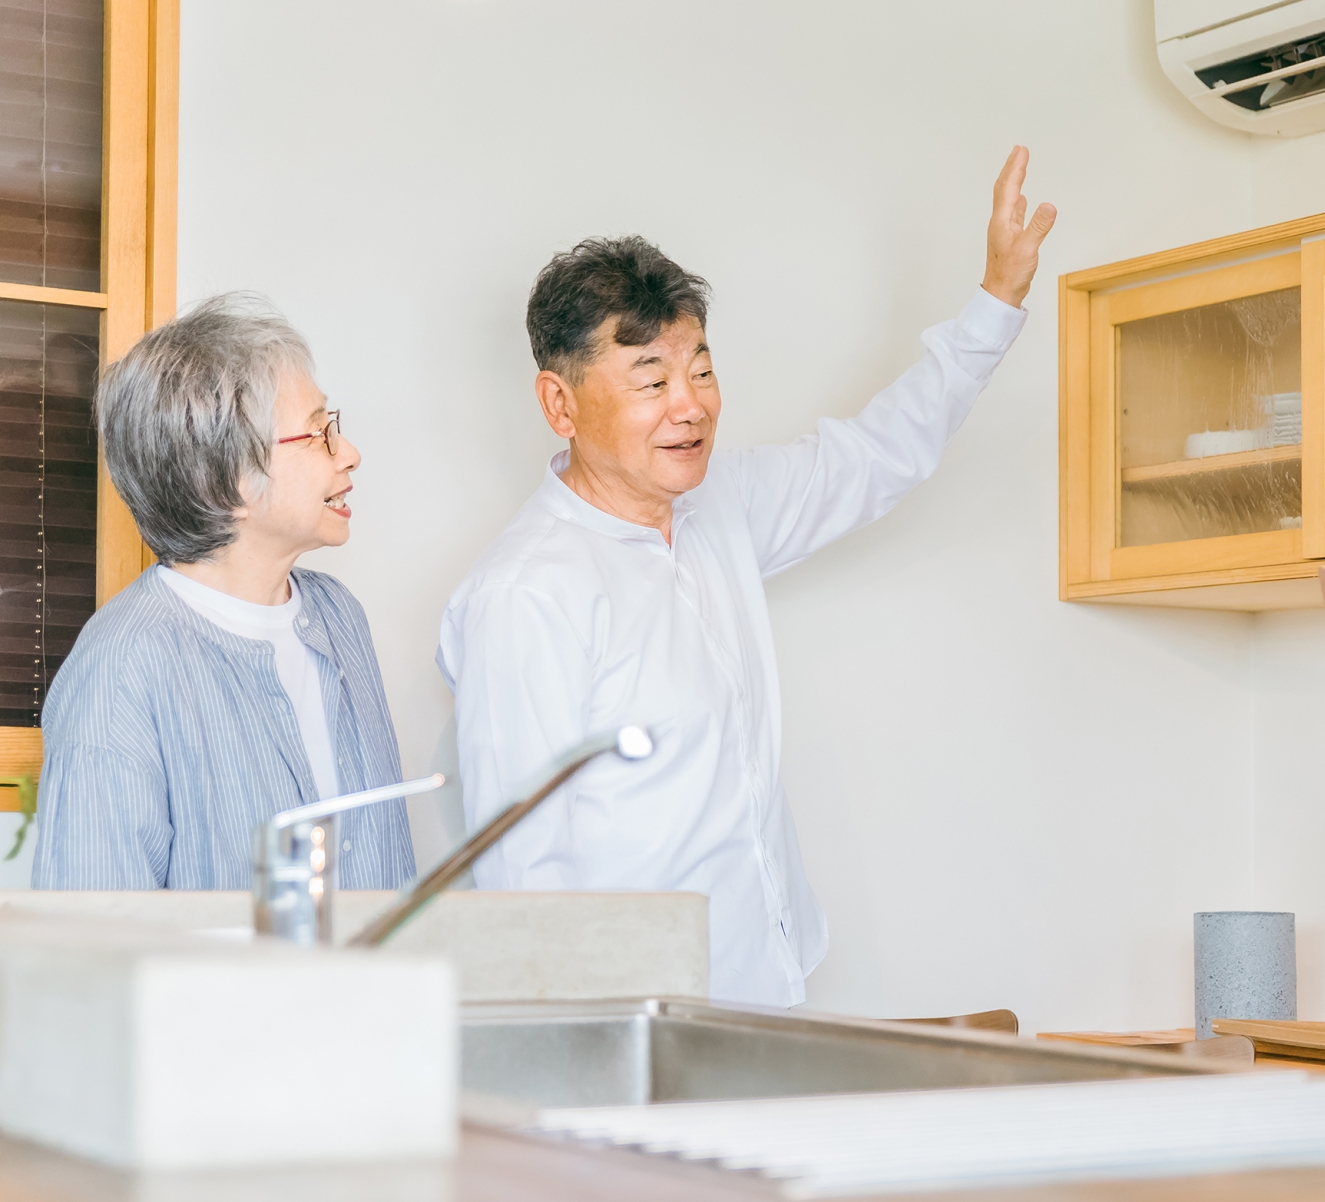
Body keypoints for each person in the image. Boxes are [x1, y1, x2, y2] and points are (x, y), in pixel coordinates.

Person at [438, 147, 1056, 1006]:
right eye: (651, 380)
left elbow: (875, 457)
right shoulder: (525, 595)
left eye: (700, 370)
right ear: (560, 404)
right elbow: (521, 878)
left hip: (769, 989)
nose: (689, 404)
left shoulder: (718, 506)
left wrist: (995, 301)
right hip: (640, 1022)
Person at [34, 295, 416, 890]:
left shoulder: (339, 616)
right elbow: (95, 932)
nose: (349, 453)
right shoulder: (120, 672)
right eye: (318, 433)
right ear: (222, 480)